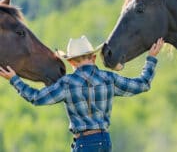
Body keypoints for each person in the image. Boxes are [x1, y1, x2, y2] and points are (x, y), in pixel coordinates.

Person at [0, 35, 164, 152]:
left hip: (84, 143)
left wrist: (14, 79)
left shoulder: (67, 84)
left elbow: (35, 98)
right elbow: (143, 84)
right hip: (105, 141)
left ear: (70, 62)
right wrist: (151, 58)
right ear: (93, 57)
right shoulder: (109, 79)